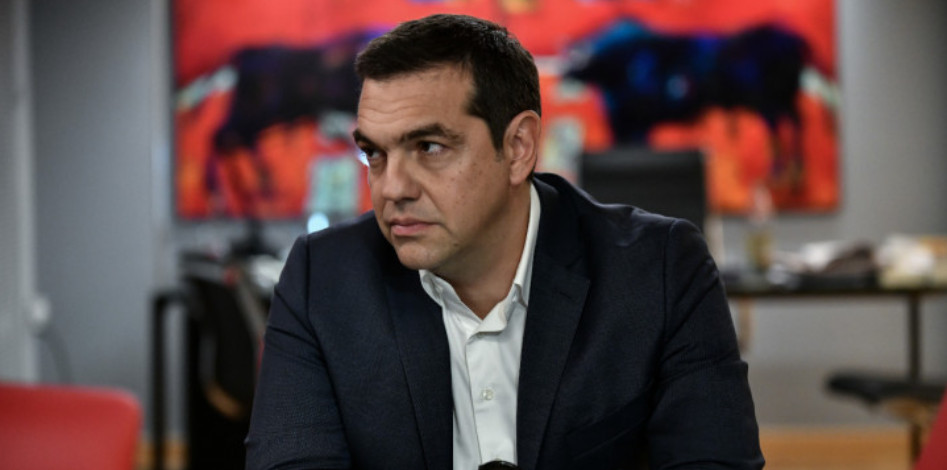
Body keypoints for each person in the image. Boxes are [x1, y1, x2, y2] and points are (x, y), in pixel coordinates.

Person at [246, 13, 763, 470]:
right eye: (375, 154)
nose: (391, 189)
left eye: (429, 147)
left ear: (518, 147)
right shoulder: (323, 280)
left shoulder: (660, 271)